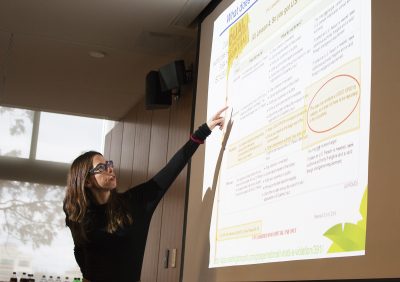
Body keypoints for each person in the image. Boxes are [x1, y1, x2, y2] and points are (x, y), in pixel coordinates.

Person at [63, 107, 228, 282]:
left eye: (108, 163)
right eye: (102, 167)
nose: (110, 169)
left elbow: (171, 170)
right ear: (86, 181)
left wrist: (203, 131)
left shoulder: (135, 203)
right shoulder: (76, 214)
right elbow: (79, 249)